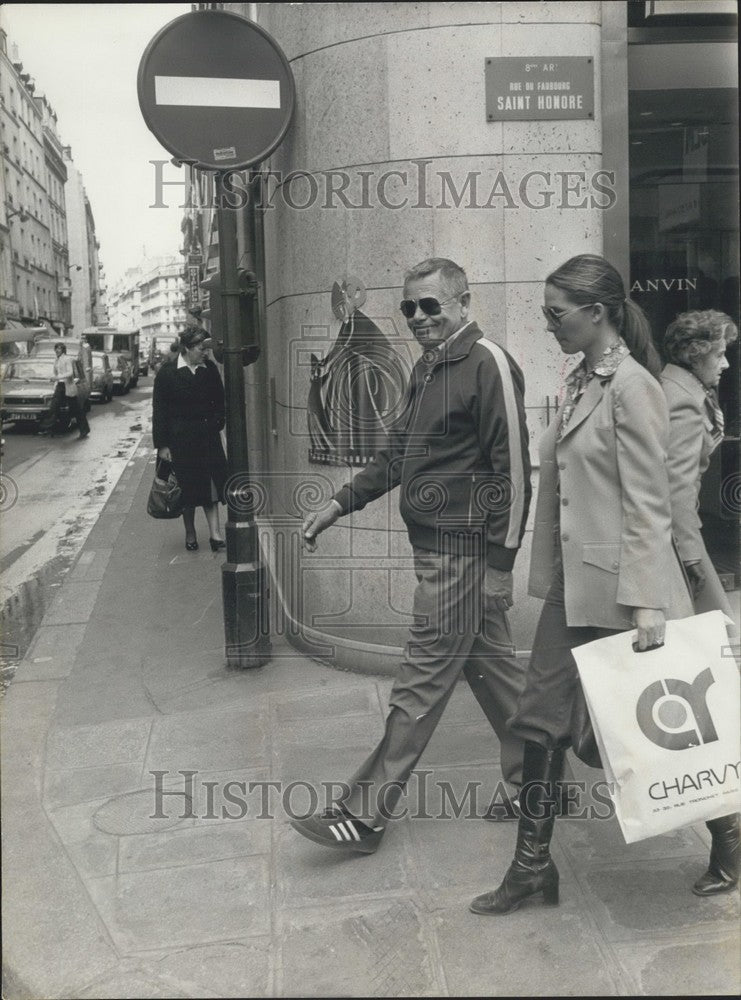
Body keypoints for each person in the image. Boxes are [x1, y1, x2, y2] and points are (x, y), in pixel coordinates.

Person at [469, 254, 695, 916]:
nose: (546, 326)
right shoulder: (579, 380)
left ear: (596, 314)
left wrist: (649, 599)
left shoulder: (633, 387)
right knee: (538, 720)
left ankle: (727, 831)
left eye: (554, 314)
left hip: (626, 590)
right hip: (576, 585)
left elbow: (649, 502)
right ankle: (531, 869)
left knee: (659, 732)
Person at [290, 257, 532, 853]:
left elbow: (517, 473)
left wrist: (500, 566)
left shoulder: (487, 362)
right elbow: (395, 453)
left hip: (463, 554)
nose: (418, 317)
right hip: (439, 551)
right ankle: (541, 787)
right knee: (495, 674)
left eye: (431, 305)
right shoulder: (427, 367)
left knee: (420, 681)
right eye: (409, 307)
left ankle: (364, 814)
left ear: (463, 302)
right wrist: (338, 504)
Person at [661, 309, 739, 897]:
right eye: (720, 352)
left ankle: (730, 839)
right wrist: (696, 571)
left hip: (676, 555)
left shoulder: (685, 389)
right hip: (676, 556)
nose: (727, 362)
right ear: (695, 353)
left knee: (696, 697)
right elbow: (677, 495)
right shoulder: (682, 398)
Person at [152, 326, 227, 552]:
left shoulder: (210, 369)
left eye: (206, 348)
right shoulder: (167, 373)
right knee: (186, 489)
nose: (205, 352)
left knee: (211, 487)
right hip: (180, 441)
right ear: (186, 348)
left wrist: (216, 424)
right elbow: (160, 411)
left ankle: (215, 534)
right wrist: (163, 445)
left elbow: (220, 402)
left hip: (207, 438)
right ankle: (191, 532)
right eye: (200, 348)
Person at [40, 342, 90, 440]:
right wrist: (54, 378)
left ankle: (84, 430)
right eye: (56, 348)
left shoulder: (67, 359)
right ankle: (48, 428)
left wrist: (58, 377)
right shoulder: (56, 360)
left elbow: (70, 373)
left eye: (59, 349)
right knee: (54, 406)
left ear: (63, 350)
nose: (57, 350)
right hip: (60, 385)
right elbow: (55, 372)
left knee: (76, 409)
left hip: (67, 386)